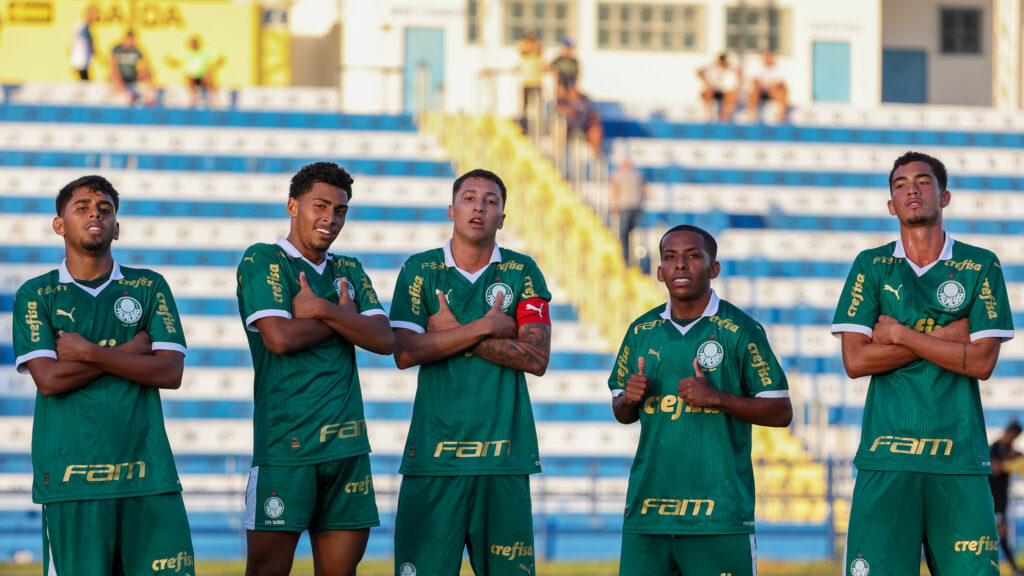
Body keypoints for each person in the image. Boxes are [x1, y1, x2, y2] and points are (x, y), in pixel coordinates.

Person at [832, 151, 1014, 576]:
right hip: (886, 458)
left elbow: (983, 361)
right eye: (900, 184)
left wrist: (899, 334)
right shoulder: (871, 265)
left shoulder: (980, 264)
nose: (911, 189)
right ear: (891, 205)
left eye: (923, 181)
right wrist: (948, 336)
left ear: (945, 196)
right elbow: (856, 360)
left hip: (960, 462)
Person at [12, 175, 195, 575]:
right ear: (59, 224)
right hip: (70, 479)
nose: (95, 213)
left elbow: (170, 370)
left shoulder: (149, 286)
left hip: (150, 477)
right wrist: (130, 351)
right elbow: (50, 380)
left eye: (106, 209)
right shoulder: (36, 294)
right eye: (82, 207)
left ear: (117, 225)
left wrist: (88, 353)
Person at [388, 168, 552, 576]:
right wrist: (485, 327)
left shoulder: (522, 271)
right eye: (470, 197)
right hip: (432, 459)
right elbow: (405, 351)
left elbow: (537, 358)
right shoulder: (420, 270)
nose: (480, 206)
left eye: (492, 201)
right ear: (451, 210)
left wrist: (449, 334)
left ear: (502, 218)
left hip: (504, 460)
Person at [236, 162, 393, 576]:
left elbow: (385, 340)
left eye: (340, 210)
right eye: (320, 205)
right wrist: (346, 319)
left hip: (348, 448)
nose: (330, 218)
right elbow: (280, 339)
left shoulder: (349, 269)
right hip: (286, 447)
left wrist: (320, 310)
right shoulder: (263, 260)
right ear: (293, 206)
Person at [609, 224, 792, 575]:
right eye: (670, 257)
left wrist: (717, 398)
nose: (680, 265)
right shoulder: (640, 331)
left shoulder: (741, 329)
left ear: (714, 269)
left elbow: (781, 410)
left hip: (718, 514)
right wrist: (629, 399)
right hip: (648, 512)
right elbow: (622, 412)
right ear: (660, 271)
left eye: (693, 256)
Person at [991, 421, 1023, 575]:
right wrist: (1010, 459)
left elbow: (1018, 461)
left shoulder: (1010, 451)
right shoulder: (994, 448)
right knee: (1000, 533)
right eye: (1014, 436)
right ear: (1009, 433)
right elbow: (995, 469)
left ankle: (1014, 568)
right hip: (991, 499)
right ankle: (1014, 568)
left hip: (1002, 499)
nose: (1014, 440)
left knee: (1001, 534)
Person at [166, 35, 224, 108]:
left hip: (203, 76)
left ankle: (214, 100)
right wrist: (170, 60)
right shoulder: (186, 53)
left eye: (194, 43)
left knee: (209, 76)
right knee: (188, 76)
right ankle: (192, 100)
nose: (192, 45)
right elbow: (176, 62)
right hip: (192, 76)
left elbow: (220, 58)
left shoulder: (205, 52)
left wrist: (212, 68)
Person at [610, 157, 647, 264]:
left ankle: (625, 259)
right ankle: (638, 259)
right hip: (637, 206)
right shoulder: (638, 174)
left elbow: (615, 189)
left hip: (625, 206)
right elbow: (645, 190)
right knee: (635, 233)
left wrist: (615, 205)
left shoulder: (618, 174)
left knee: (624, 234)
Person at [110, 30, 154, 106]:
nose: (131, 42)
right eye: (130, 40)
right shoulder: (117, 49)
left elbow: (145, 63)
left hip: (132, 76)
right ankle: (127, 95)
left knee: (148, 74)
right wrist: (119, 77)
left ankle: (149, 96)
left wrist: (143, 71)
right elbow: (113, 66)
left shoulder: (136, 50)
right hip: (121, 76)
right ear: (126, 39)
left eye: (133, 40)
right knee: (113, 76)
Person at [555, 84, 603, 154]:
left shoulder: (584, 99)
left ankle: (595, 158)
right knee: (558, 128)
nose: (572, 88)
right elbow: (554, 108)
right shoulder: (562, 98)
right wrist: (564, 110)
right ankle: (558, 155)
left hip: (584, 126)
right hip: (566, 127)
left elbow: (593, 114)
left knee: (595, 132)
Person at [697, 53, 742, 123]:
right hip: (714, 90)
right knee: (708, 92)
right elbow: (699, 71)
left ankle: (724, 116)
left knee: (733, 96)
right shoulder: (712, 67)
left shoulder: (730, 68)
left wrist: (736, 87)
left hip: (725, 91)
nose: (722, 63)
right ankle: (708, 116)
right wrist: (707, 83)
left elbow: (740, 73)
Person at [747, 50, 789, 123]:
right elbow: (755, 81)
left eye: (769, 57)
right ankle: (753, 114)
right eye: (766, 57)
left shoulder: (777, 69)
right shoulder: (758, 68)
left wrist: (772, 88)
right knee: (753, 92)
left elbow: (781, 82)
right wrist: (764, 87)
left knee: (783, 92)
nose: (768, 59)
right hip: (761, 91)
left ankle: (782, 115)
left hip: (773, 91)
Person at [516, 29, 544, 133]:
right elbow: (523, 50)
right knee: (524, 107)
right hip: (526, 82)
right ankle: (524, 127)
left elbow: (540, 49)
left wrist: (535, 47)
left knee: (539, 107)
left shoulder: (537, 48)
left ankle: (538, 128)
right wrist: (533, 47)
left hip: (537, 82)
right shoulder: (524, 46)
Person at [69, 5, 98, 81]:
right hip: (80, 61)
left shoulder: (86, 27)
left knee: (85, 81)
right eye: (92, 15)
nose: (93, 17)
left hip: (84, 62)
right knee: (84, 81)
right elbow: (78, 43)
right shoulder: (81, 26)